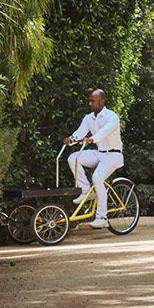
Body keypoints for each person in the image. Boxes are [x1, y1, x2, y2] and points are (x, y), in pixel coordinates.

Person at [64, 88, 123, 228]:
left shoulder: (112, 117)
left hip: (113, 155)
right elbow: (80, 132)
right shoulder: (88, 118)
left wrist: (92, 139)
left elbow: (104, 132)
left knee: (97, 178)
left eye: (93, 101)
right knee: (73, 158)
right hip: (100, 153)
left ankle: (102, 217)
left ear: (102, 101)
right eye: (89, 101)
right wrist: (71, 139)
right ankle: (85, 191)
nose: (90, 103)